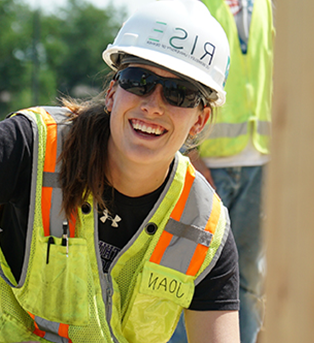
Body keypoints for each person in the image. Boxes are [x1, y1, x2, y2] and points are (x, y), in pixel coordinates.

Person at [0, 1, 241, 342]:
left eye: (179, 94)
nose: (153, 104)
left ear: (199, 120)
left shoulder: (203, 229)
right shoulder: (31, 147)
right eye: (138, 80)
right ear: (113, 92)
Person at [168, 1, 275, 343]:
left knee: (245, 281)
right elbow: (180, 75)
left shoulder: (265, 6)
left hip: (259, 158)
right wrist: (191, 152)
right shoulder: (196, 5)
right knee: (185, 274)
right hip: (207, 162)